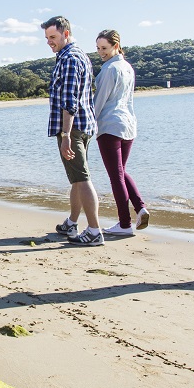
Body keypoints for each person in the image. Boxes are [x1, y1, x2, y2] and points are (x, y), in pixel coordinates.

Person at [42, 16, 103, 246]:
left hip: (73, 129)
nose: (49, 42)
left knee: (82, 178)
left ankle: (95, 231)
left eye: (53, 37)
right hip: (83, 126)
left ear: (66, 33)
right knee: (77, 179)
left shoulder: (69, 59)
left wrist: (66, 136)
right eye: (47, 38)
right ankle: (72, 222)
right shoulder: (79, 56)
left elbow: (69, 102)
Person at [93, 29, 149, 236]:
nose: (101, 52)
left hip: (110, 125)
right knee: (121, 171)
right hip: (128, 125)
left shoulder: (109, 69)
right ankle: (140, 207)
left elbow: (100, 101)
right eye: (98, 48)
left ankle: (124, 224)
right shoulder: (127, 67)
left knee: (116, 175)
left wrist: (90, 125)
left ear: (116, 46)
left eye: (105, 48)